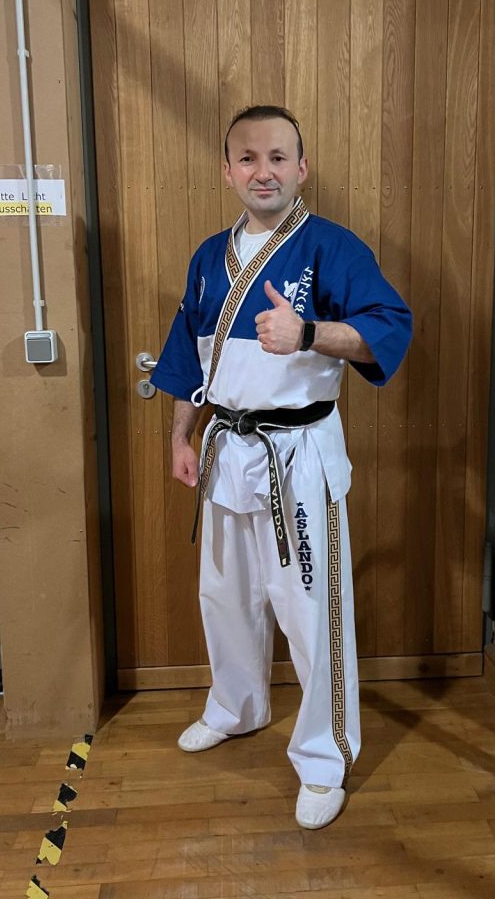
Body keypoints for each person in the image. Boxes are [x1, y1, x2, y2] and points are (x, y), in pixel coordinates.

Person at [151, 105, 412, 830]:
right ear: (227, 171)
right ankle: (237, 706)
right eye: (248, 158)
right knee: (225, 597)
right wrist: (181, 437)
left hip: (297, 456)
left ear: (301, 168)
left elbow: (388, 330)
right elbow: (188, 359)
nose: (262, 171)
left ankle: (325, 758)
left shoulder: (332, 247)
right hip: (225, 450)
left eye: (277, 158)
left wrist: (309, 333)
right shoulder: (210, 257)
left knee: (310, 612)